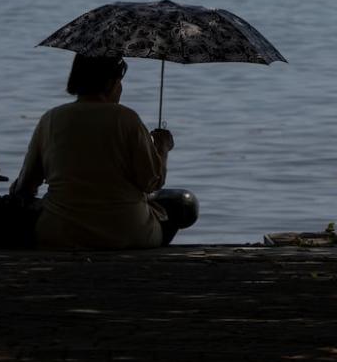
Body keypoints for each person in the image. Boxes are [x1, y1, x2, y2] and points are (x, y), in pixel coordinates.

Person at [10, 54, 198, 249]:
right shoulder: (127, 118)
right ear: (110, 82)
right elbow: (151, 182)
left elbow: (26, 186)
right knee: (183, 203)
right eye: (119, 81)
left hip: (59, 234)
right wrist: (162, 148)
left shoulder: (50, 119)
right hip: (128, 235)